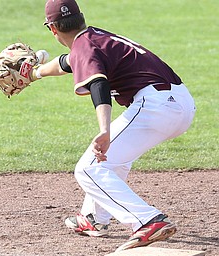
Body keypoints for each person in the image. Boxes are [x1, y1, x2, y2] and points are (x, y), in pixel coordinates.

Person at [30, 0, 196, 252]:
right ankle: (94, 218)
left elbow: (99, 85)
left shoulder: (84, 46)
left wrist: (104, 129)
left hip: (157, 106)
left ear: (52, 28)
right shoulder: (94, 38)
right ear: (80, 17)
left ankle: (148, 220)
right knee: (110, 160)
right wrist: (34, 74)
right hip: (178, 103)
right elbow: (67, 62)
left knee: (87, 169)